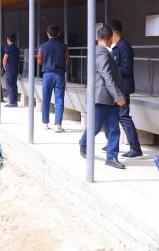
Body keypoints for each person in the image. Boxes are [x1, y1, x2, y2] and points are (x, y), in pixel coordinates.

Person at [79, 26, 127, 170]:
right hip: (100, 97)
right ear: (111, 38)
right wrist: (118, 95)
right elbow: (107, 75)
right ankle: (83, 143)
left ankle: (112, 157)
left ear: (97, 37)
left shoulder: (100, 51)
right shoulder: (101, 52)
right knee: (95, 127)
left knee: (113, 129)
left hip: (108, 98)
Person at [109, 20, 143, 157]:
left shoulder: (124, 47)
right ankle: (112, 143)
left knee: (123, 116)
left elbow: (127, 69)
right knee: (112, 116)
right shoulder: (116, 47)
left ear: (113, 32)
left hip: (123, 88)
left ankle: (135, 148)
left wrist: (111, 70)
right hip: (117, 87)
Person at [37, 25, 70, 133]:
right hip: (59, 75)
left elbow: (39, 61)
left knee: (46, 99)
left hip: (47, 75)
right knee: (59, 100)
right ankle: (58, 125)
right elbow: (67, 58)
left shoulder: (43, 46)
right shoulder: (64, 46)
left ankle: (45, 123)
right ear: (58, 34)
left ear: (48, 34)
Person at [3, 34, 20, 107]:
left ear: (8, 40)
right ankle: (15, 101)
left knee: (9, 85)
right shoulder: (17, 48)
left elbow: (5, 59)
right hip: (16, 68)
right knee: (14, 85)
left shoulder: (8, 48)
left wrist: (5, 67)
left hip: (10, 69)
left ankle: (12, 102)